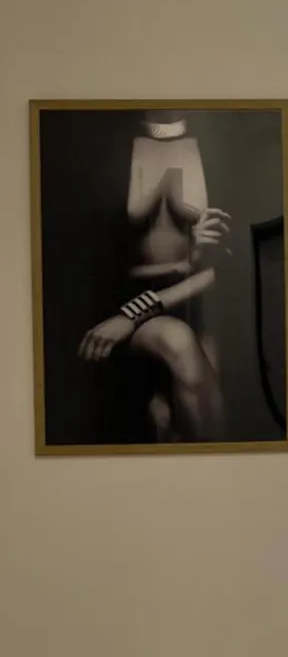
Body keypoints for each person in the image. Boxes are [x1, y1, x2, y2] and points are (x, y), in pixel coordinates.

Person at [77, 111, 230, 442]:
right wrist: (129, 314)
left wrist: (199, 254)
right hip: (120, 308)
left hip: (190, 302)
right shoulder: (107, 149)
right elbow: (86, 261)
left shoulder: (213, 147)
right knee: (177, 341)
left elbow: (218, 268)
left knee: (199, 421)